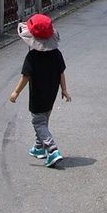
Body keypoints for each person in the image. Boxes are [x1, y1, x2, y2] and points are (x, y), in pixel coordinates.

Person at [9, 13, 71, 167]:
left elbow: (25, 77)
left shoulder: (32, 57)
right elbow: (61, 73)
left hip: (37, 96)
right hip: (51, 94)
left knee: (38, 122)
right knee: (44, 120)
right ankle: (39, 147)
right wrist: (64, 90)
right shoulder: (56, 54)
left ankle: (52, 149)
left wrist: (16, 92)